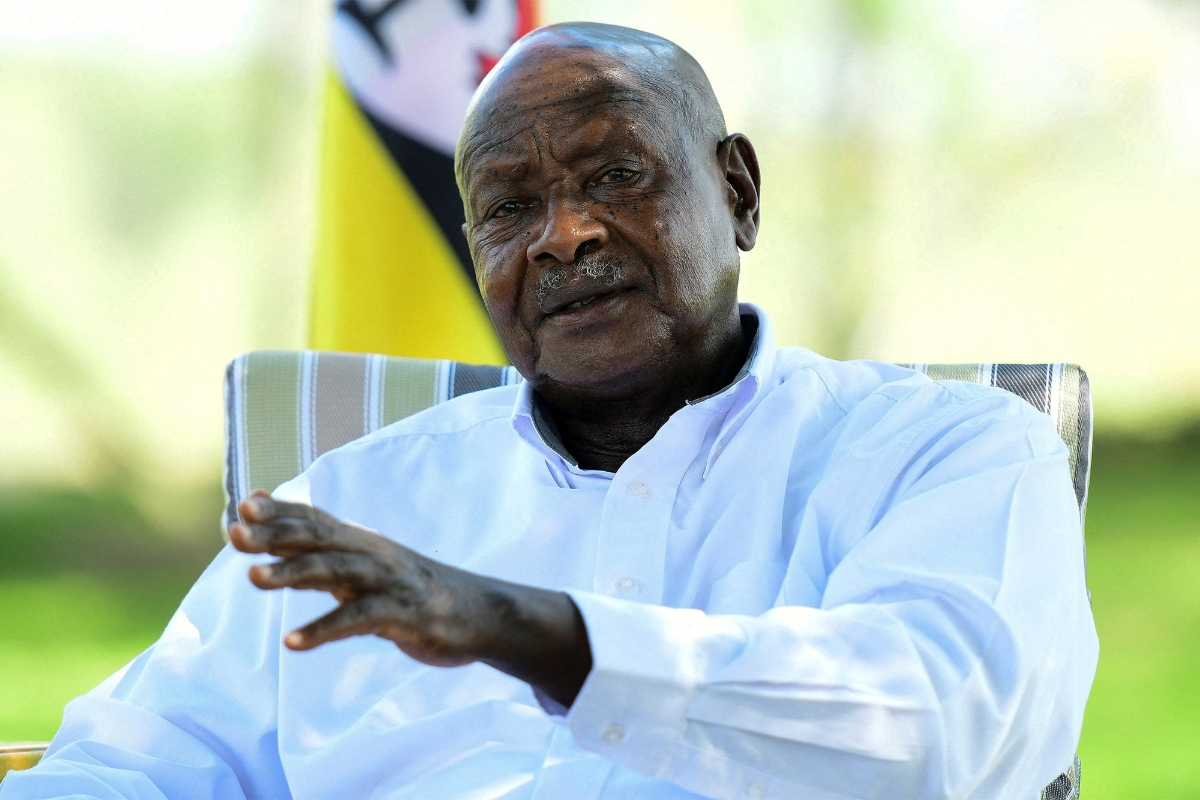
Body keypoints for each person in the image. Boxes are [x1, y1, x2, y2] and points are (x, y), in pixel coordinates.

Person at [2, 22, 1097, 800]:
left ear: (739, 192)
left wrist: (518, 627)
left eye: (616, 176)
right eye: (511, 208)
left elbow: (931, 732)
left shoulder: (952, 451)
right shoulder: (351, 501)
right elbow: (136, 757)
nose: (561, 236)